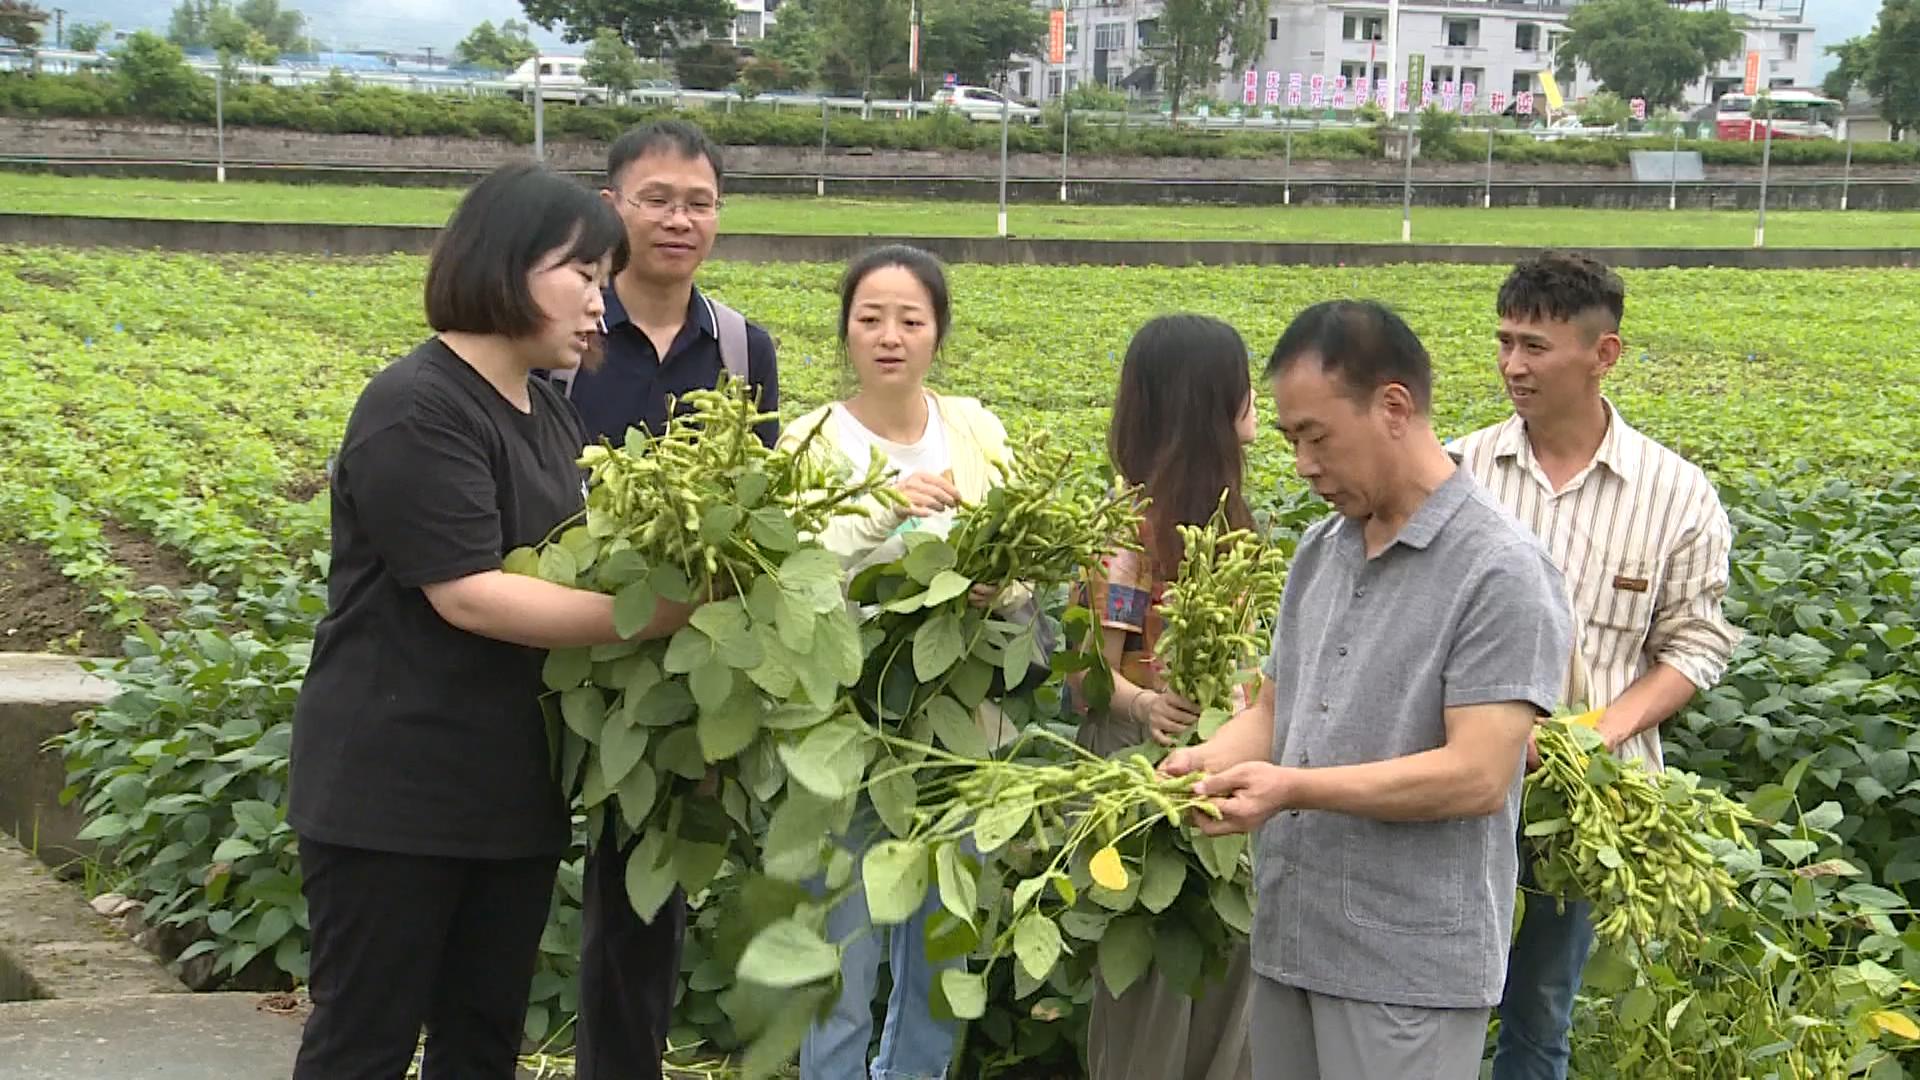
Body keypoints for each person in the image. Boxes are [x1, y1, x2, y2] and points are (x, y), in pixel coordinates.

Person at [287, 162, 698, 1080]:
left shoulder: (545, 413)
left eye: (602, 280)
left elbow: (578, 560)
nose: (600, 305)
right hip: (396, 788)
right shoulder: (416, 407)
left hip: (507, 791)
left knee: (482, 1041)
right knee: (365, 1037)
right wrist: (662, 616)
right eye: (581, 276)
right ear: (508, 268)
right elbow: (470, 592)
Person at [1162, 300, 1575, 1080]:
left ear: (1393, 407)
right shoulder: (1323, 550)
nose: (1304, 464)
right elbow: (1277, 711)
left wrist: (1292, 788)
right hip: (1292, 939)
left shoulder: (1500, 569)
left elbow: (1480, 774)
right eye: (1290, 441)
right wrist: (1199, 767)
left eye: (1316, 436)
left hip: (1405, 968)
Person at [1453, 253, 1739, 1080]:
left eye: (1536, 347)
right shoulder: (1456, 474)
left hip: (1590, 805)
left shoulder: (1676, 495)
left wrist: (1594, 733)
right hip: (1454, 789)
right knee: (1436, 988)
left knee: (1541, 1006)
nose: (1512, 366)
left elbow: (1694, 645)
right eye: (1505, 342)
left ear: (1603, 353)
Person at [564, 119, 781, 1080]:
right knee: (510, 867)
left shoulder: (741, 348)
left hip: (678, 661)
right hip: (560, 646)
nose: (679, 220)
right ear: (614, 207)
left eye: (699, 203)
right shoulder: (564, 333)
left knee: (644, 892)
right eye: (657, 199)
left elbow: (758, 509)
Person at [778, 244, 1011, 1080]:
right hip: (847, 726)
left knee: (943, 949)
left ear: (938, 333)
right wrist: (879, 506)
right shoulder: (809, 441)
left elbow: (1018, 561)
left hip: (959, 724)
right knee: (841, 952)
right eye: (870, 318)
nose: (889, 336)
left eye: (910, 320)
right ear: (846, 332)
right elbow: (789, 575)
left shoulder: (977, 430)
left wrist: (999, 588)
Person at [1075, 314, 1258, 1080]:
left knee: (1228, 971)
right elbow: (1088, 676)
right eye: (1245, 394)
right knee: (1153, 983)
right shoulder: (1129, 535)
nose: (1259, 416)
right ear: (1209, 406)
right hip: (1139, 783)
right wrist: (1146, 707)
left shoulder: (1232, 525)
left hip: (1220, 773)